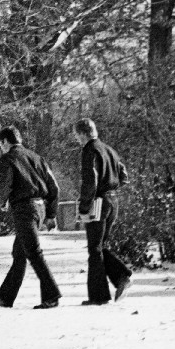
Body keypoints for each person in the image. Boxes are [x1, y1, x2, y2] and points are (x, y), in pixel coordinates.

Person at [0, 126, 62, 310]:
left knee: (33, 253)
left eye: (1, 145)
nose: (1, 149)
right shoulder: (37, 157)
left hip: (24, 208)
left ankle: (52, 295)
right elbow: (54, 187)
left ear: (5, 142)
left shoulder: (8, 159)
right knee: (20, 253)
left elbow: (5, 184)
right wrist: (51, 213)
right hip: (40, 208)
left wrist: (0, 201)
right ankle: (6, 297)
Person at [73, 118, 133, 305]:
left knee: (94, 248)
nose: (77, 139)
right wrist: (111, 187)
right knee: (99, 246)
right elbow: (124, 176)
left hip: (99, 202)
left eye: (77, 135)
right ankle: (120, 277)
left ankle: (101, 294)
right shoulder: (109, 149)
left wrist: (84, 207)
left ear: (83, 133)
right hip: (113, 200)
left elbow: (90, 180)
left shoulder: (89, 150)